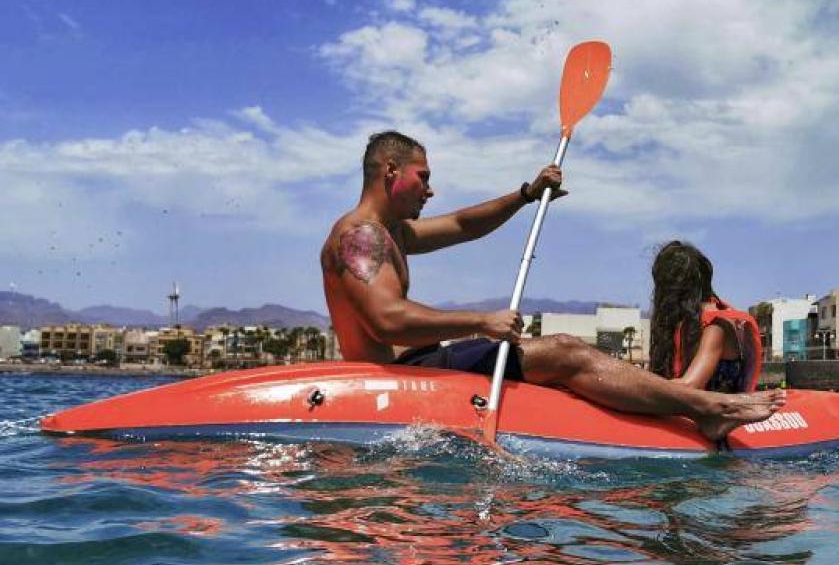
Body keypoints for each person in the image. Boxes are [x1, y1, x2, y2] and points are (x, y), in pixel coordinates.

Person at [319, 131, 786, 441]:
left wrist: (526, 194)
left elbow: (463, 225)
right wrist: (482, 321)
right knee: (564, 351)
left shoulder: (390, 233)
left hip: (420, 362)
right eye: (423, 177)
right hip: (400, 374)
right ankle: (706, 407)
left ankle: (687, 403)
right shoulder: (361, 237)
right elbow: (386, 320)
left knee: (558, 352)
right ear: (391, 171)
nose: (430, 190)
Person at [648, 241, 762, 394]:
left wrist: (629, 384)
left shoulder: (716, 327)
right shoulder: (688, 326)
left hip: (714, 409)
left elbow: (689, 386)